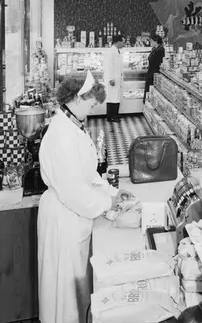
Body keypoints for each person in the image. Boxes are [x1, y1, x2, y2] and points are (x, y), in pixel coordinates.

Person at [37, 71, 134, 323]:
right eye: (91, 105)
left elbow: (86, 175)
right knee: (64, 294)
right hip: (64, 220)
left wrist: (112, 192)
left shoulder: (71, 126)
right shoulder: (62, 135)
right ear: (78, 98)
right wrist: (107, 203)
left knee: (72, 290)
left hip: (71, 216)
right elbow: (73, 191)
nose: (92, 111)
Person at [103, 34, 125, 122]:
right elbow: (108, 66)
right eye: (123, 42)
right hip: (113, 79)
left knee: (116, 97)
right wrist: (110, 79)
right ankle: (110, 116)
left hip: (117, 78)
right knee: (111, 97)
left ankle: (115, 114)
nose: (124, 44)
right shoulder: (111, 52)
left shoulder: (117, 51)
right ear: (118, 42)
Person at [144, 34, 165, 103]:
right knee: (148, 91)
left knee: (150, 92)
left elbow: (157, 63)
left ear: (155, 41)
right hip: (151, 73)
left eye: (151, 41)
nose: (150, 42)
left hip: (154, 74)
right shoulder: (155, 49)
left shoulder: (160, 50)